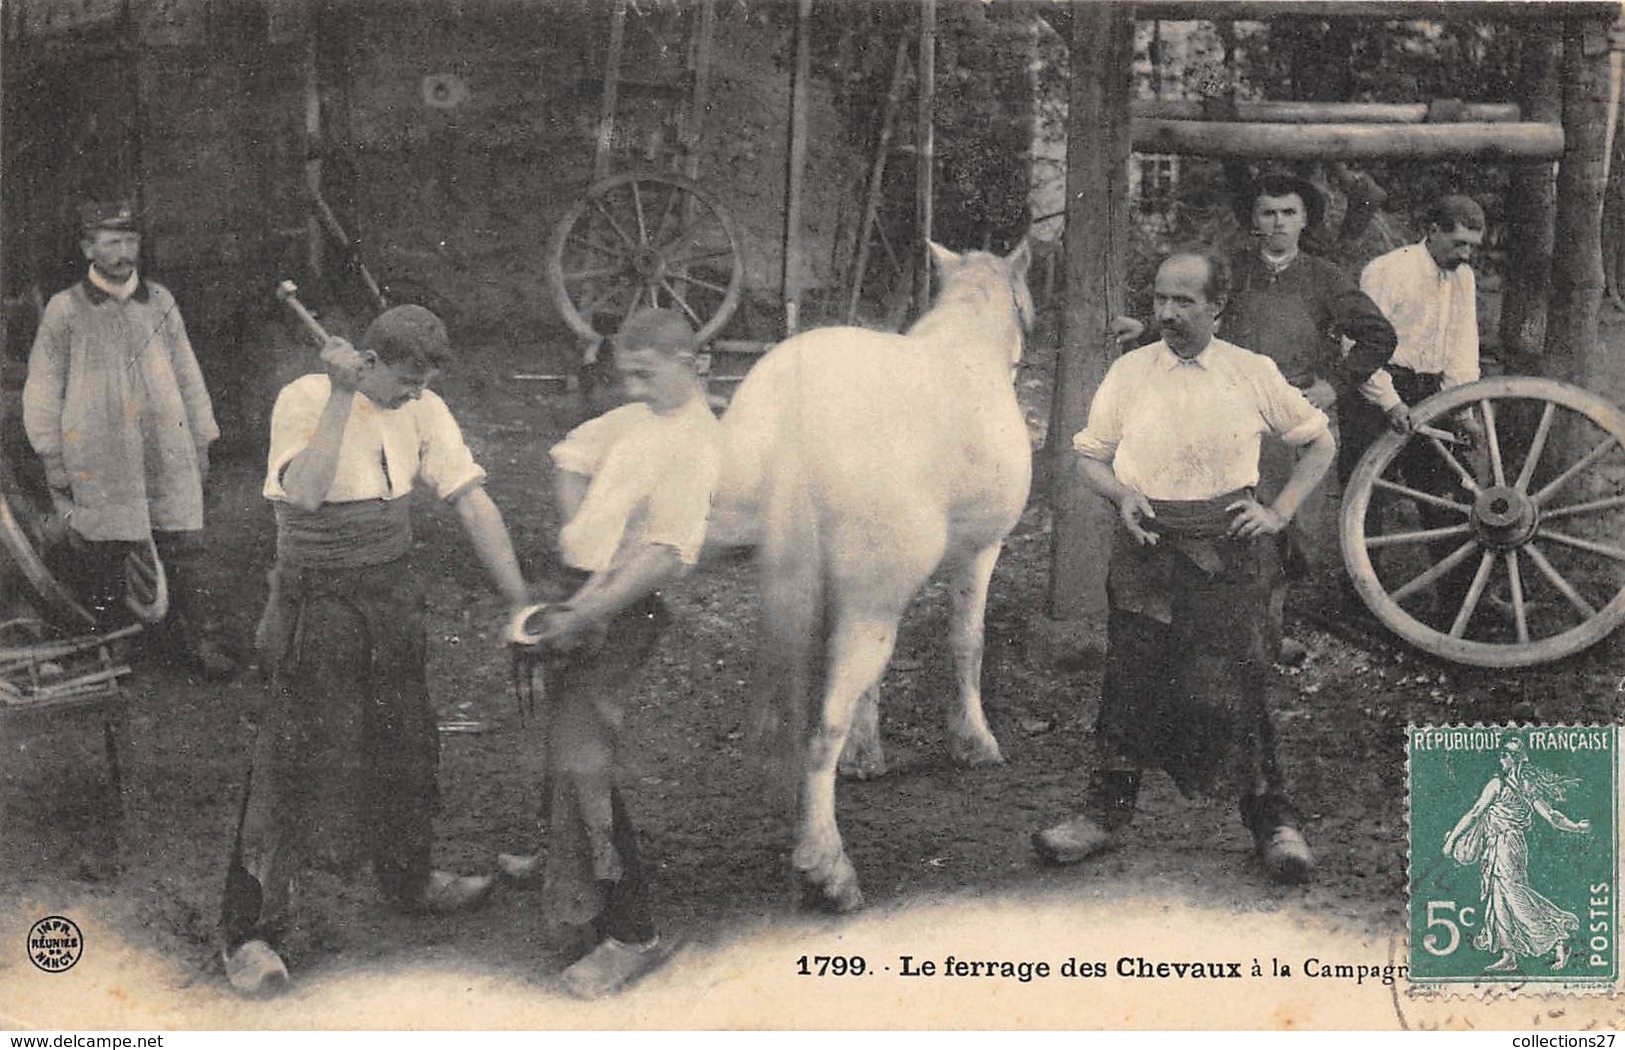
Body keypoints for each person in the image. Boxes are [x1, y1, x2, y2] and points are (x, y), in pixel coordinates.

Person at [220, 304, 531, 996]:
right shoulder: (303, 398)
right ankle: (251, 934)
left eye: (423, 384)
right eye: (403, 381)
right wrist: (339, 394)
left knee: (409, 740)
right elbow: (301, 495)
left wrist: (519, 599)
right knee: (291, 757)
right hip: (316, 600)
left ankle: (409, 878)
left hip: (390, 598)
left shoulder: (423, 408)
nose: (412, 395)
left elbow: (472, 501)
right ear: (368, 361)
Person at [1032, 247, 1336, 885]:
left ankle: (1274, 822)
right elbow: (1091, 456)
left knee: (1238, 683)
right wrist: (1121, 494)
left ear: (1217, 307)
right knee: (1129, 679)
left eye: (1183, 302)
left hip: (1228, 552)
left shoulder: (1251, 372)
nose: (1166, 314)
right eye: (1160, 300)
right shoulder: (1130, 372)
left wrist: (1278, 512)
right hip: (1146, 549)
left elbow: (1319, 442)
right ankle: (1104, 815)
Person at [498, 307, 721, 999]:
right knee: (563, 734)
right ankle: (563, 857)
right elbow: (569, 456)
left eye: (645, 373)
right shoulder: (635, 421)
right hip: (583, 592)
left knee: (584, 754)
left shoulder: (696, 442)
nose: (632, 386)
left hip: (623, 610)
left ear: (691, 363)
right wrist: (583, 528)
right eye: (626, 373)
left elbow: (662, 554)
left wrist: (587, 610)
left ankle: (632, 934)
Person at [22, 200, 234, 677]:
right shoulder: (65, 309)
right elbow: (42, 386)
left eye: (131, 240)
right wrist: (51, 454)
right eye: (112, 241)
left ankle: (196, 641)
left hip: (165, 445)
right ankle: (116, 644)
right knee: (106, 545)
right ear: (87, 248)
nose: (124, 251)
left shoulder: (160, 302)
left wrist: (201, 439)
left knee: (179, 539)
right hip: (100, 449)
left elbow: (188, 375)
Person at [1222, 171, 1397, 660]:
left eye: (1288, 213)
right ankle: (1254, 635)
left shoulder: (1324, 277)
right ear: (1252, 221)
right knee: (1236, 523)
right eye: (1267, 213)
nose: (1278, 223)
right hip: (1235, 417)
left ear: (1304, 220)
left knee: (1293, 532)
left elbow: (1378, 336)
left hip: (1298, 418)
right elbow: (1190, 315)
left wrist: (1334, 385)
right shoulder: (1231, 272)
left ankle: (1268, 626)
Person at [1349, 195, 1487, 616]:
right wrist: (1389, 402)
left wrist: (1462, 410)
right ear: (1432, 230)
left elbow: (1463, 345)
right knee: (1365, 500)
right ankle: (1360, 604)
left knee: (1445, 497)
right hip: (1377, 386)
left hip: (1431, 391)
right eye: (1458, 243)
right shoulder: (1387, 272)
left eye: (1472, 247)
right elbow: (1358, 344)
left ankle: (1459, 604)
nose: (1465, 255)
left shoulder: (1463, 277)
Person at [1443, 739, 1589, 973]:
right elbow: (1550, 815)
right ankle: (1509, 955)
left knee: (1513, 894)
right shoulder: (1513, 784)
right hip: (1497, 845)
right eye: (1501, 754)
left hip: (1507, 845)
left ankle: (1558, 935)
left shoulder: (1505, 784)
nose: (1501, 758)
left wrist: (1452, 841)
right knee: (1498, 897)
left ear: (1516, 758)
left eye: (1506, 754)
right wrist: (1576, 827)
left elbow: (1476, 813)